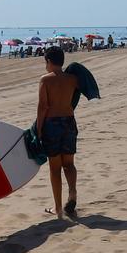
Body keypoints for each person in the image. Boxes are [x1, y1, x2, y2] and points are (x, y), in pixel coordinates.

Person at [36, 45, 81, 218]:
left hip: (52, 125)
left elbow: (43, 107)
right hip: (69, 122)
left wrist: (39, 129)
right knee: (69, 164)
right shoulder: (72, 79)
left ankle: (58, 208)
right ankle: (73, 192)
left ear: (48, 61)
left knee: (55, 168)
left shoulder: (45, 80)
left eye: (45, 62)